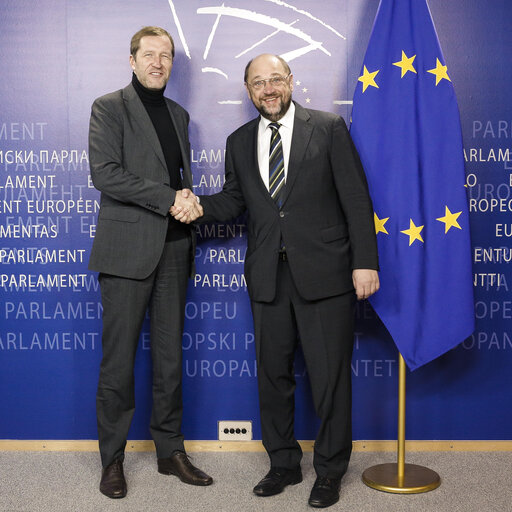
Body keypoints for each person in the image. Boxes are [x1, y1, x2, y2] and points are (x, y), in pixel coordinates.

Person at [172, 54, 379, 508]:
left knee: (329, 380)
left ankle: (329, 471)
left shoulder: (327, 128)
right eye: (258, 83)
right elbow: (232, 201)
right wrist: (198, 206)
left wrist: (366, 262)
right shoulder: (239, 140)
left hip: (326, 274)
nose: (268, 89)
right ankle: (282, 463)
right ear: (248, 91)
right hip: (267, 276)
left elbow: (356, 200)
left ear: (291, 82)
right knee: (273, 377)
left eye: (275, 80)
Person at [88, 26, 211, 499]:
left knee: (169, 359)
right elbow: (106, 173)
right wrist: (169, 198)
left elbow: (178, 180)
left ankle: (169, 451)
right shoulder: (109, 106)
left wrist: (186, 205)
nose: (158, 63)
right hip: (126, 251)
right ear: (132, 60)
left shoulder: (179, 114)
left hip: (175, 248)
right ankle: (112, 460)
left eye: (166, 56)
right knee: (118, 363)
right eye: (149, 55)